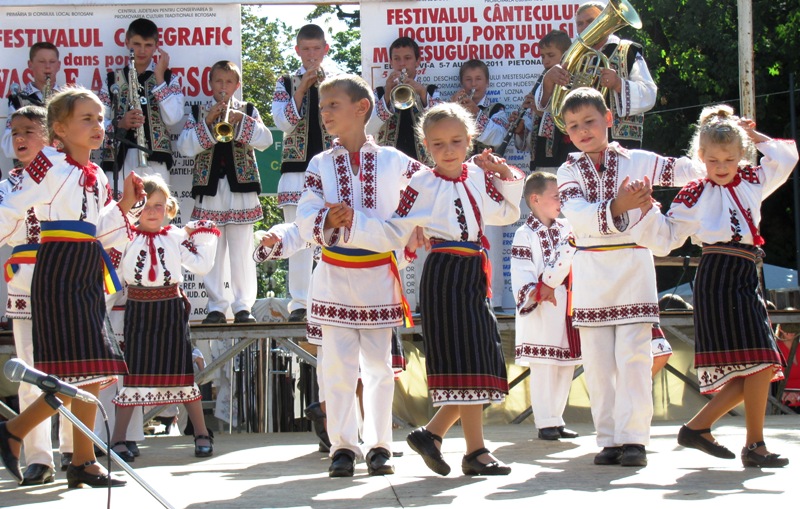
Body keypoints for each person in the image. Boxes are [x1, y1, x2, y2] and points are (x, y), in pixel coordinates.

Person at [336, 102, 525, 476]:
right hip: (445, 274)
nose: (448, 150)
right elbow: (396, 226)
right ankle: (473, 450)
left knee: (482, 358)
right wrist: (359, 231)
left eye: (456, 141)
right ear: (425, 146)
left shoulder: (477, 175)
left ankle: (434, 434)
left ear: (470, 140)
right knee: (467, 358)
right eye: (438, 144)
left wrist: (504, 173)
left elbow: (506, 212)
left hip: (474, 272)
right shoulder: (422, 183)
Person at [627, 105, 798, 468]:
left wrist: (753, 135)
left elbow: (786, 157)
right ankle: (748, 443)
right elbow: (667, 238)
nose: (722, 166)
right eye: (714, 160)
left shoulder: (752, 180)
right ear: (701, 157)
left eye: (730, 159)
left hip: (747, 272)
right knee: (761, 362)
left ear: (742, 156)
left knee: (760, 363)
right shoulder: (695, 193)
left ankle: (702, 428)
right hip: (718, 274)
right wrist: (647, 210)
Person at [0, 86, 144, 487]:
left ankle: (80, 459)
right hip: (59, 266)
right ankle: (20, 434)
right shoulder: (49, 163)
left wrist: (126, 204)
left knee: (91, 367)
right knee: (74, 368)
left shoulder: (95, 174)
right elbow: (12, 207)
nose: (98, 126)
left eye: (100, 119)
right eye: (87, 119)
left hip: (85, 265)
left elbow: (102, 230)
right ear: (59, 129)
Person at [556, 87, 704, 467]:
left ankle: (634, 439)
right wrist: (620, 204)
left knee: (634, 358)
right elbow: (578, 217)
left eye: (589, 121)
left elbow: (690, 170)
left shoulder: (638, 160)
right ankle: (609, 439)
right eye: (573, 125)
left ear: (608, 119)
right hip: (591, 272)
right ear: (566, 132)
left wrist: (719, 149)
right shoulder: (567, 170)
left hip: (634, 266)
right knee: (598, 364)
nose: (583, 130)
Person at [294, 74, 424, 477]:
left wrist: (417, 224)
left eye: (333, 104)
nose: (325, 113)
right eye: (322, 107)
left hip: (378, 275)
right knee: (337, 368)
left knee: (379, 368)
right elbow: (305, 212)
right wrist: (326, 219)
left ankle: (380, 445)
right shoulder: (320, 163)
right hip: (334, 274)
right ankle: (343, 447)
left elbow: (428, 189)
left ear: (361, 107)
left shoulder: (393, 160)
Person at [109, 174, 219, 461]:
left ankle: (201, 433)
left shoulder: (176, 237)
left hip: (170, 310)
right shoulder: (125, 237)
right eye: (145, 205)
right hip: (138, 311)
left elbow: (201, 265)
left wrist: (203, 235)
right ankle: (118, 438)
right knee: (132, 375)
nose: (152, 211)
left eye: (158, 205)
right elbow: (112, 277)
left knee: (182, 372)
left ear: (168, 208)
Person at [0, 105, 75, 484]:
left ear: (49, 134)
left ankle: (77, 451)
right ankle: (39, 459)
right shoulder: (10, 184)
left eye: (29, 130)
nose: (20, 138)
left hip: (67, 278)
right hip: (26, 284)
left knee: (75, 367)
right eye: (15, 132)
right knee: (31, 371)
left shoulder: (68, 173)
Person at [177, 60, 273, 324]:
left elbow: (266, 140)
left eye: (229, 82)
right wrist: (208, 122)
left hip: (241, 187)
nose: (223, 86)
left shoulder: (248, 109)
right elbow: (185, 147)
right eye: (218, 81)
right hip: (209, 187)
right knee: (211, 247)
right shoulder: (198, 112)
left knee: (242, 249)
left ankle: (243, 306)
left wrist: (243, 122)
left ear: (237, 85)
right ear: (210, 84)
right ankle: (216, 307)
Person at [272, 23, 336, 324]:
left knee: (333, 235)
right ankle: (299, 303)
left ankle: (330, 299)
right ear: (298, 50)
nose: (311, 55)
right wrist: (300, 89)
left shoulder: (337, 81)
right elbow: (282, 123)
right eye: (306, 49)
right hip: (296, 170)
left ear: (325, 49)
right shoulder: (285, 82)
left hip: (331, 170)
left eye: (316, 49)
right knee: (298, 236)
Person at [511, 172, 581, 441]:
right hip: (541, 308)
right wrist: (536, 292)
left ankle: (556, 418)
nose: (561, 201)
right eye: (556, 196)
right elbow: (521, 271)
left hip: (567, 304)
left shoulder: (568, 228)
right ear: (535, 199)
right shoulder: (524, 234)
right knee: (544, 365)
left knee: (565, 365)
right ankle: (544, 422)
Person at [541, 1, 657, 149]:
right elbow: (551, 107)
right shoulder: (571, 55)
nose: (585, 27)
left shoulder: (628, 50)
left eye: (591, 21)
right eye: (580, 23)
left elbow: (649, 94)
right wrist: (549, 82)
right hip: (579, 142)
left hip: (620, 144)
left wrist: (618, 84)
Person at [101, 17, 184, 192]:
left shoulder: (168, 78)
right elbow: (97, 122)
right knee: (119, 209)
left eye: (148, 45)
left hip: (155, 161)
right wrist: (120, 124)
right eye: (137, 44)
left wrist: (159, 77)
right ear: (127, 42)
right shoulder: (112, 80)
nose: (142, 50)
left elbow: (173, 118)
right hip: (119, 160)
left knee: (156, 207)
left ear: (156, 46)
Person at [451, 59, 509, 307]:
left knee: (491, 239)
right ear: (461, 83)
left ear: (487, 82)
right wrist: (453, 111)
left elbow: (498, 137)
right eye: (468, 80)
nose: (473, 84)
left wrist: (475, 112)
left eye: (478, 79)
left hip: (488, 183)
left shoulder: (497, 109)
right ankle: (462, 298)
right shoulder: (452, 108)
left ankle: (494, 300)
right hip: (457, 183)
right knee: (458, 238)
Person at [374, 36, 442, 165]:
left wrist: (422, 93)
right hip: (389, 165)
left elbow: (441, 122)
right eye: (397, 59)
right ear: (391, 62)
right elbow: (370, 127)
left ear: (417, 61)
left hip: (424, 165)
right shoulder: (379, 92)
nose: (402, 64)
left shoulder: (431, 91)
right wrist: (387, 95)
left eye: (407, 58)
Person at [2, 42, 62, 162]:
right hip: (29, 168)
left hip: (62, 167)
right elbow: (8, 147)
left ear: (58, 65)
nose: (47, 67)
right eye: (42, 61)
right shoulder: (19, 100)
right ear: (30, 65)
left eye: (52, 62)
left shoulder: (67, 100)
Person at [528, 30, 576, 174]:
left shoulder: (573, 82)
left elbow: (570, 121)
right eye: (543, 56)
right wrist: (522, 127)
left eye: (551, 55)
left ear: (566, 55)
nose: (545, 61)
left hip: (563, 157)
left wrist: (542, 114)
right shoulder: (543, 81)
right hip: (541, 159)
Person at [775, 318, 800, 412]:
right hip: (783, 400)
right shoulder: (776, 349)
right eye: (787, 329)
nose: (791, 333)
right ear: (780, 328)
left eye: (794, 328)